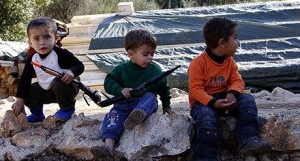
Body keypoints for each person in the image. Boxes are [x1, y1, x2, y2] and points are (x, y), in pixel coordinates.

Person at [188, 17, 271, 160]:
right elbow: (195, 91)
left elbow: (237, 80)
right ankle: (206, 156)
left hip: (225, 99)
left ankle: (248, 140)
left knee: (247, 100)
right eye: (235, 38)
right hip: (204, 103)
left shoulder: (230, 61)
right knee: (206, 119)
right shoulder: (198, 63)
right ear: (222, 43)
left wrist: (232, 93)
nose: (238, 43)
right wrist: (213, 102)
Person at [91, 29, 175, 158]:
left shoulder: (156, 70)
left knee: (150, 97)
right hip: (123, 104)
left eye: (153, 54)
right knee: (112, 118)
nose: (150, 57)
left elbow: (164, 89)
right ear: (131, 54)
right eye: (145, 54)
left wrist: (167, 106)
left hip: (144, 104)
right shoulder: (121, 69)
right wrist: (120, 90)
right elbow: (109, 83)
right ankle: (108, 148)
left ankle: (138, 114)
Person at [12, 17, 84, 122]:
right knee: (27, 89)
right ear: (30, 42)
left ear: (56, 38)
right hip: (46, 92)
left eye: (46, 37)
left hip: (66, 88)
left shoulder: (61, 54)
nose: (42, 42)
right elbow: (25, 79)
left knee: (58, 82)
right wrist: (19, 101)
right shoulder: (33, 59)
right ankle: (37, 114)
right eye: (36, 39)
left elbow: (80, 66)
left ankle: (67, 109)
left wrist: (71, 72)